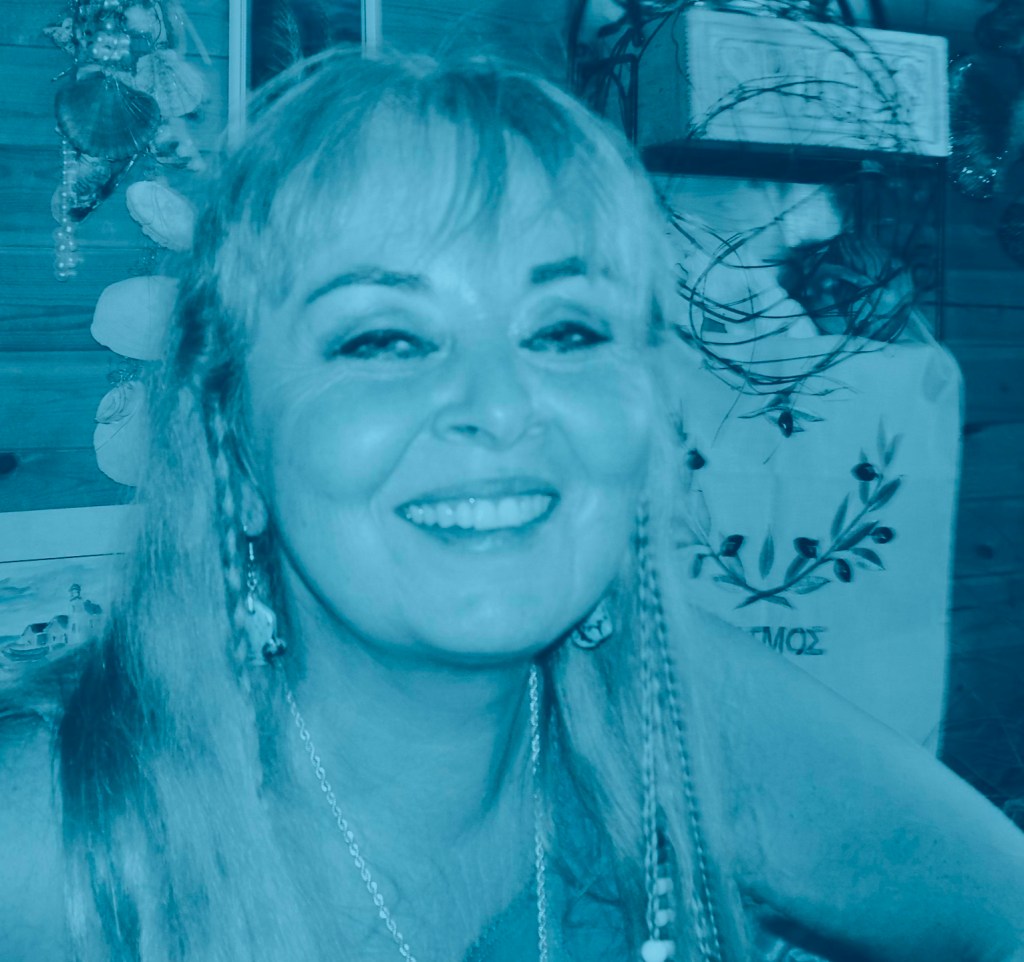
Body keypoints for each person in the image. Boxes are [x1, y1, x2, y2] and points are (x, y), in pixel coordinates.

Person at [2, 46, 1023, 962]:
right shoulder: (43, 846)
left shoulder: (684, 709)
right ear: (233, 444)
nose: (500, 406)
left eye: (565, 330)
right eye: (382, 338)